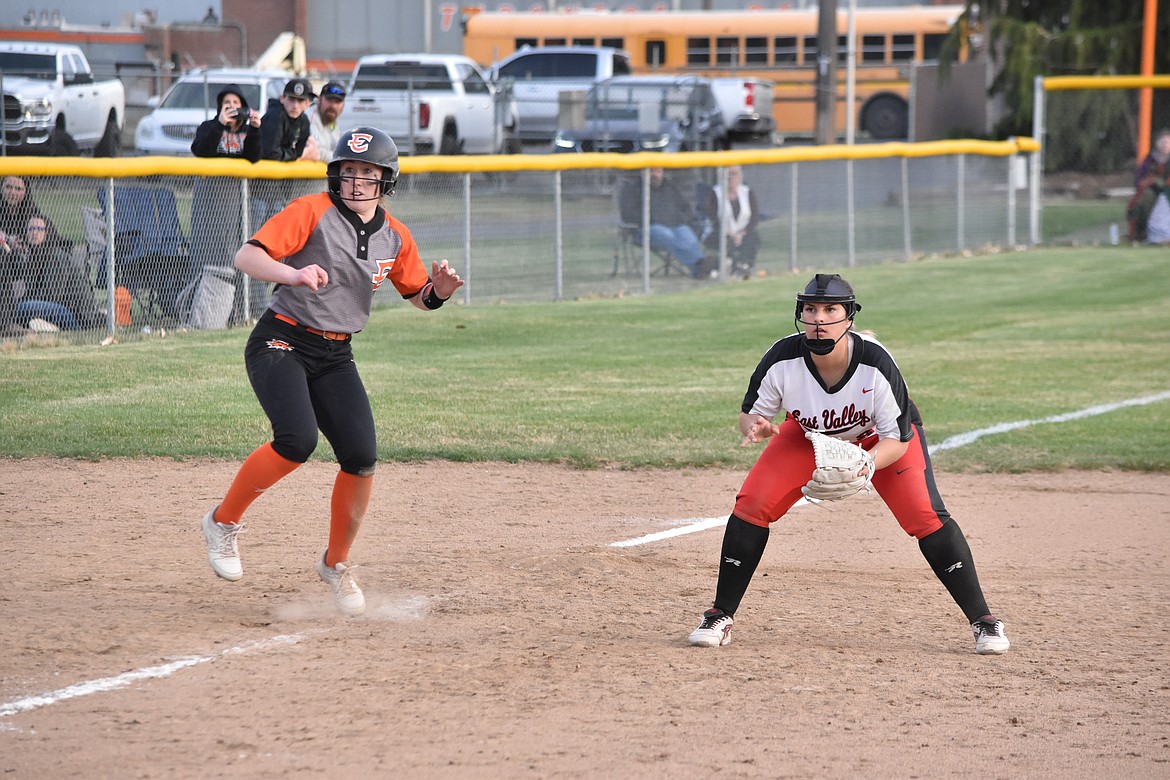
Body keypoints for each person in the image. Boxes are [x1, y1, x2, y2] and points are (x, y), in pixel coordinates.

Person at [199, 126, 465, 616]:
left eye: (368, 172)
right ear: (335, 174)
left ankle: (335, 564)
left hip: (336, 354)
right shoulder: (312, 211)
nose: (356, 180)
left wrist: (442, 290)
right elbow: (247, 256)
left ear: (387, 180)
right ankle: (222, 521)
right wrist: (293, 273)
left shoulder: (395, 235)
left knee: (361, 456)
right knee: (297, 440)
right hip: (282, 337)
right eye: (348, 171)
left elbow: (420, 298)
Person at [686, 273, 1011, 655]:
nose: (819, 319)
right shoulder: (782, 358)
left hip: (880, 440)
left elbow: (897, 437)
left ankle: (984, 621)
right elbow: (751, 414)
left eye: (830, 310)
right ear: (800, 314)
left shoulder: (875, 362)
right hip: (809, 435)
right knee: (752, 505)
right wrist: (754, 425)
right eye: (810, 309)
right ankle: (719, 615)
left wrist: (868, 464)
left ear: (848, 317)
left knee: (925, 517)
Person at [189, 84, 262, 325]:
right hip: (211, 204)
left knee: (240, 253)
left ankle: (241, 308)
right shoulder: (209, 127)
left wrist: (254, 128)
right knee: (211, 253)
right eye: (226, 104)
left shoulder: (247, 131)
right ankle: (205, 308)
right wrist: (220, 124)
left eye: (236, 104)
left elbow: (253, 157)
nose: (231, 108)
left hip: (239, 203)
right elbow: (202, 151)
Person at [618, 167, 713, 279]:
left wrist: (682, 219)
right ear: (643, 172)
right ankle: (697, 266)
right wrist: (653, 219)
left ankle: (701, 266)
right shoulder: (633, 189)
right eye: (652, 171)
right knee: (665, 234)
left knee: (685, 232)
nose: (655, 175)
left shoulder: (669, 187)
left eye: (658, 171)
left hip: (674, 227)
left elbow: (685, 207)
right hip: (646, 231)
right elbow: (628, 214)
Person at [13, 214, 102, 331]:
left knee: (19, 308)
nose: (34, 233)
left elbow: (53, 296)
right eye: (31, 229)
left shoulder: (56, 255)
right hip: (56, 309)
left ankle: (49, 326)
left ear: (47, 232)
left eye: (39, 229)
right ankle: (44, 325)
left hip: (76, 316)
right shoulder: (32, 256)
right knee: (19, 306)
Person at [703, 165, 760, 278]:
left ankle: (743, 265)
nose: (730, 177)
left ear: (739, 176)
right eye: (727, 174)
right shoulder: (716, 193)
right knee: (725, 240)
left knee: (754, 238)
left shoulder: (747, 192)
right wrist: (729, 233)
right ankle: (729, 266)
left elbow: (754, 217)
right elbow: (713, 218)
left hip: (742, 233)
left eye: (733, 173)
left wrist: (742, 233)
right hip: (719, 232)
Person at [1126, 128, 1170, 242]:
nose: (1165, 145)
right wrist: (1151, 181)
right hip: (1152, 190)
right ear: (1158, 144)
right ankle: (1139, 234)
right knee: (1142, 201)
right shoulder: (1150, 159)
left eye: (1168, 142)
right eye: (1163, 142)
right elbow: (1139, 179)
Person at [309, 81, 347, 164]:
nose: (333, 106)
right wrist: (342, 160)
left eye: (338, 102)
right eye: (329, 100)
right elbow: (315, 151)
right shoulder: (309, 118)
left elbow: (338, 147)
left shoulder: (331, 122)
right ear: (319, 99)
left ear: (343, 105)